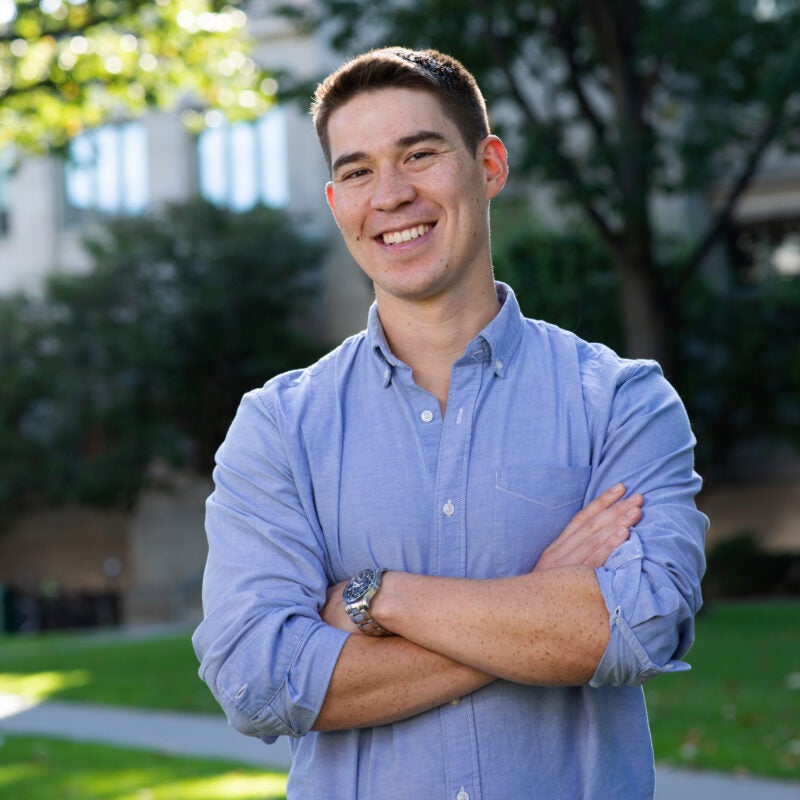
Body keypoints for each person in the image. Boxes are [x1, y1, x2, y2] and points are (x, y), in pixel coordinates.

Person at [193, 46, 708, 799]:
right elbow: (258, 682)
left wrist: (375, 600)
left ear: (489, 166)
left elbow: (639, 626)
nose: (392, 194)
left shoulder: (621, 401)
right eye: (358, 170)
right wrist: (542, 597)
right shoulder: (278, 428)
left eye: (420, 153)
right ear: (337, 203)